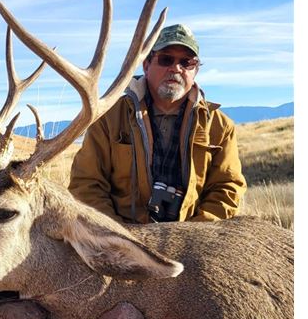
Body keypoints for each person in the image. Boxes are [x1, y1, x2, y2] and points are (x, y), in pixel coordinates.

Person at [68, 24, 246, 223]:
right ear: (146, 65)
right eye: (166, 59)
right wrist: (114, 233)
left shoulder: (220, 126)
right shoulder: (108, 118)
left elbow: (227, 187)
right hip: (122, 233)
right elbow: (86, 184)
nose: (176, 68)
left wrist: (196, 232)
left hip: (192, 234)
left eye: (187, 62)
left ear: (195, 70)